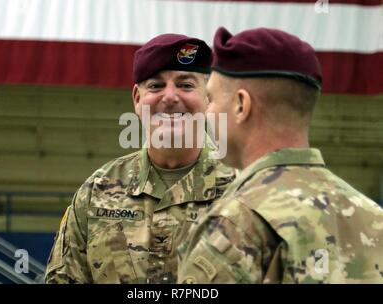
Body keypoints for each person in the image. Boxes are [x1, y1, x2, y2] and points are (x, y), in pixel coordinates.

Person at [177, 27, 383, 284]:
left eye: (211, 99)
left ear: (242, 105)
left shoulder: (237, 224)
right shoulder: (372, 216)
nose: (206, 113)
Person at [44, 33, 235, 283]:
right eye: (156, 86)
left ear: (208, 98)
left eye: (185, 85)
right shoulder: (97, 193)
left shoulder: (242, 190)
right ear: (137, 99)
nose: (169, 97)